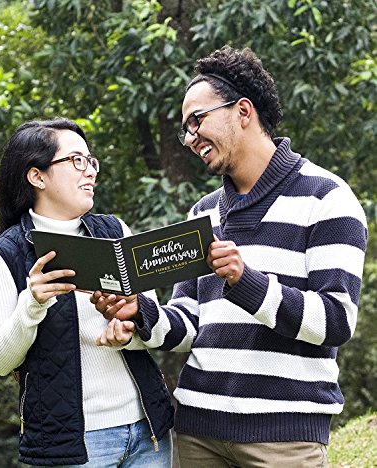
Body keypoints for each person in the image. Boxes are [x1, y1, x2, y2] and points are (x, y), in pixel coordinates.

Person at [91, 46, 368, 467]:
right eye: (185, 130)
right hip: (197, 433)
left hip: (283, 439)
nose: (190, 138)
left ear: (242, 110)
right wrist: (140, 313)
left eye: (197, 120)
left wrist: (246, 281)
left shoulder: (327, 198)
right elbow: (189, 324)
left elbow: (335, 321)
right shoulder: (202, 213)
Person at [0, 118, 173, 467]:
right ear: (37, 176)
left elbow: (158, 327)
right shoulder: (3, 256)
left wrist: (129, 330)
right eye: (76, 160)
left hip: (147, 432)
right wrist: (31, 305)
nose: (90, 171)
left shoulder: (114, 231)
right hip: (73, 446)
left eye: (91, 161)